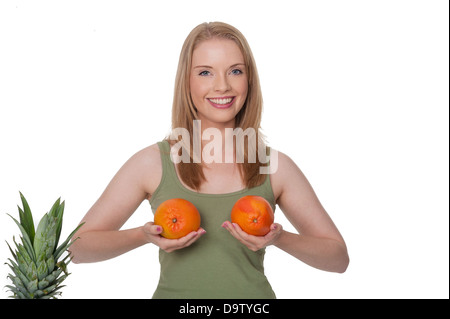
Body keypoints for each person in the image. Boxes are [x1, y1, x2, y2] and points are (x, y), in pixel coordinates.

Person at [69, 21, 349, 298]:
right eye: (205, 72)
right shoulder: (153, 162)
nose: (222, 86)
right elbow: (78, 248)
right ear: (186, 82)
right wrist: (143, 236)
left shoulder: (274, 166)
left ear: (248, 79)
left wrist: (280, 239)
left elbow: (338, 259)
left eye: (235, 71)